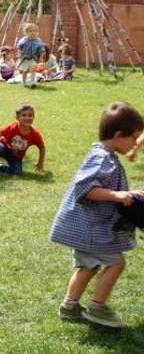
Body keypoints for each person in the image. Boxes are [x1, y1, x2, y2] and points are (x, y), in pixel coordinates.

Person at [49, 102, 144, 328]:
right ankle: (98, 307)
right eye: (134, 138)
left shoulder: (102, 154)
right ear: (119, 135)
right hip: (92, 229)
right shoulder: (101, 158)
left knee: (89, 266)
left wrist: (129, 194)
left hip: (87, 229)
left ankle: (69, 306)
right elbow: (87, 189)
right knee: (117, 264)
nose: (135, 144)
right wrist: (117, 195)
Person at [0, 103, 46, 176]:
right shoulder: (13, 127)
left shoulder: (35, 134)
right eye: (23, 115)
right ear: (17, 117)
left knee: (17, 172)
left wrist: (40, 162)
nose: (27, 118)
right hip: (4, 148)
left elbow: (42, 147)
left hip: (16, 155)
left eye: (30, 115)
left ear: (34, 117)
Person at [17, 22, 46, 88]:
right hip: (25, 58)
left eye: (34, 31)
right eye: (30, 31)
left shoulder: (38, 41)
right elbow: (19, 47)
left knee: (33, 68)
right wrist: (19, 53)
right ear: (26, 32)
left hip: (34, 58)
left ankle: (32, 81)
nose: (32, 32)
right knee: (25, 71)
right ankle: (24, 82)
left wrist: (41, 57)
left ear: (37, 32)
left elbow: (42, 49)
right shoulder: (23, 40)